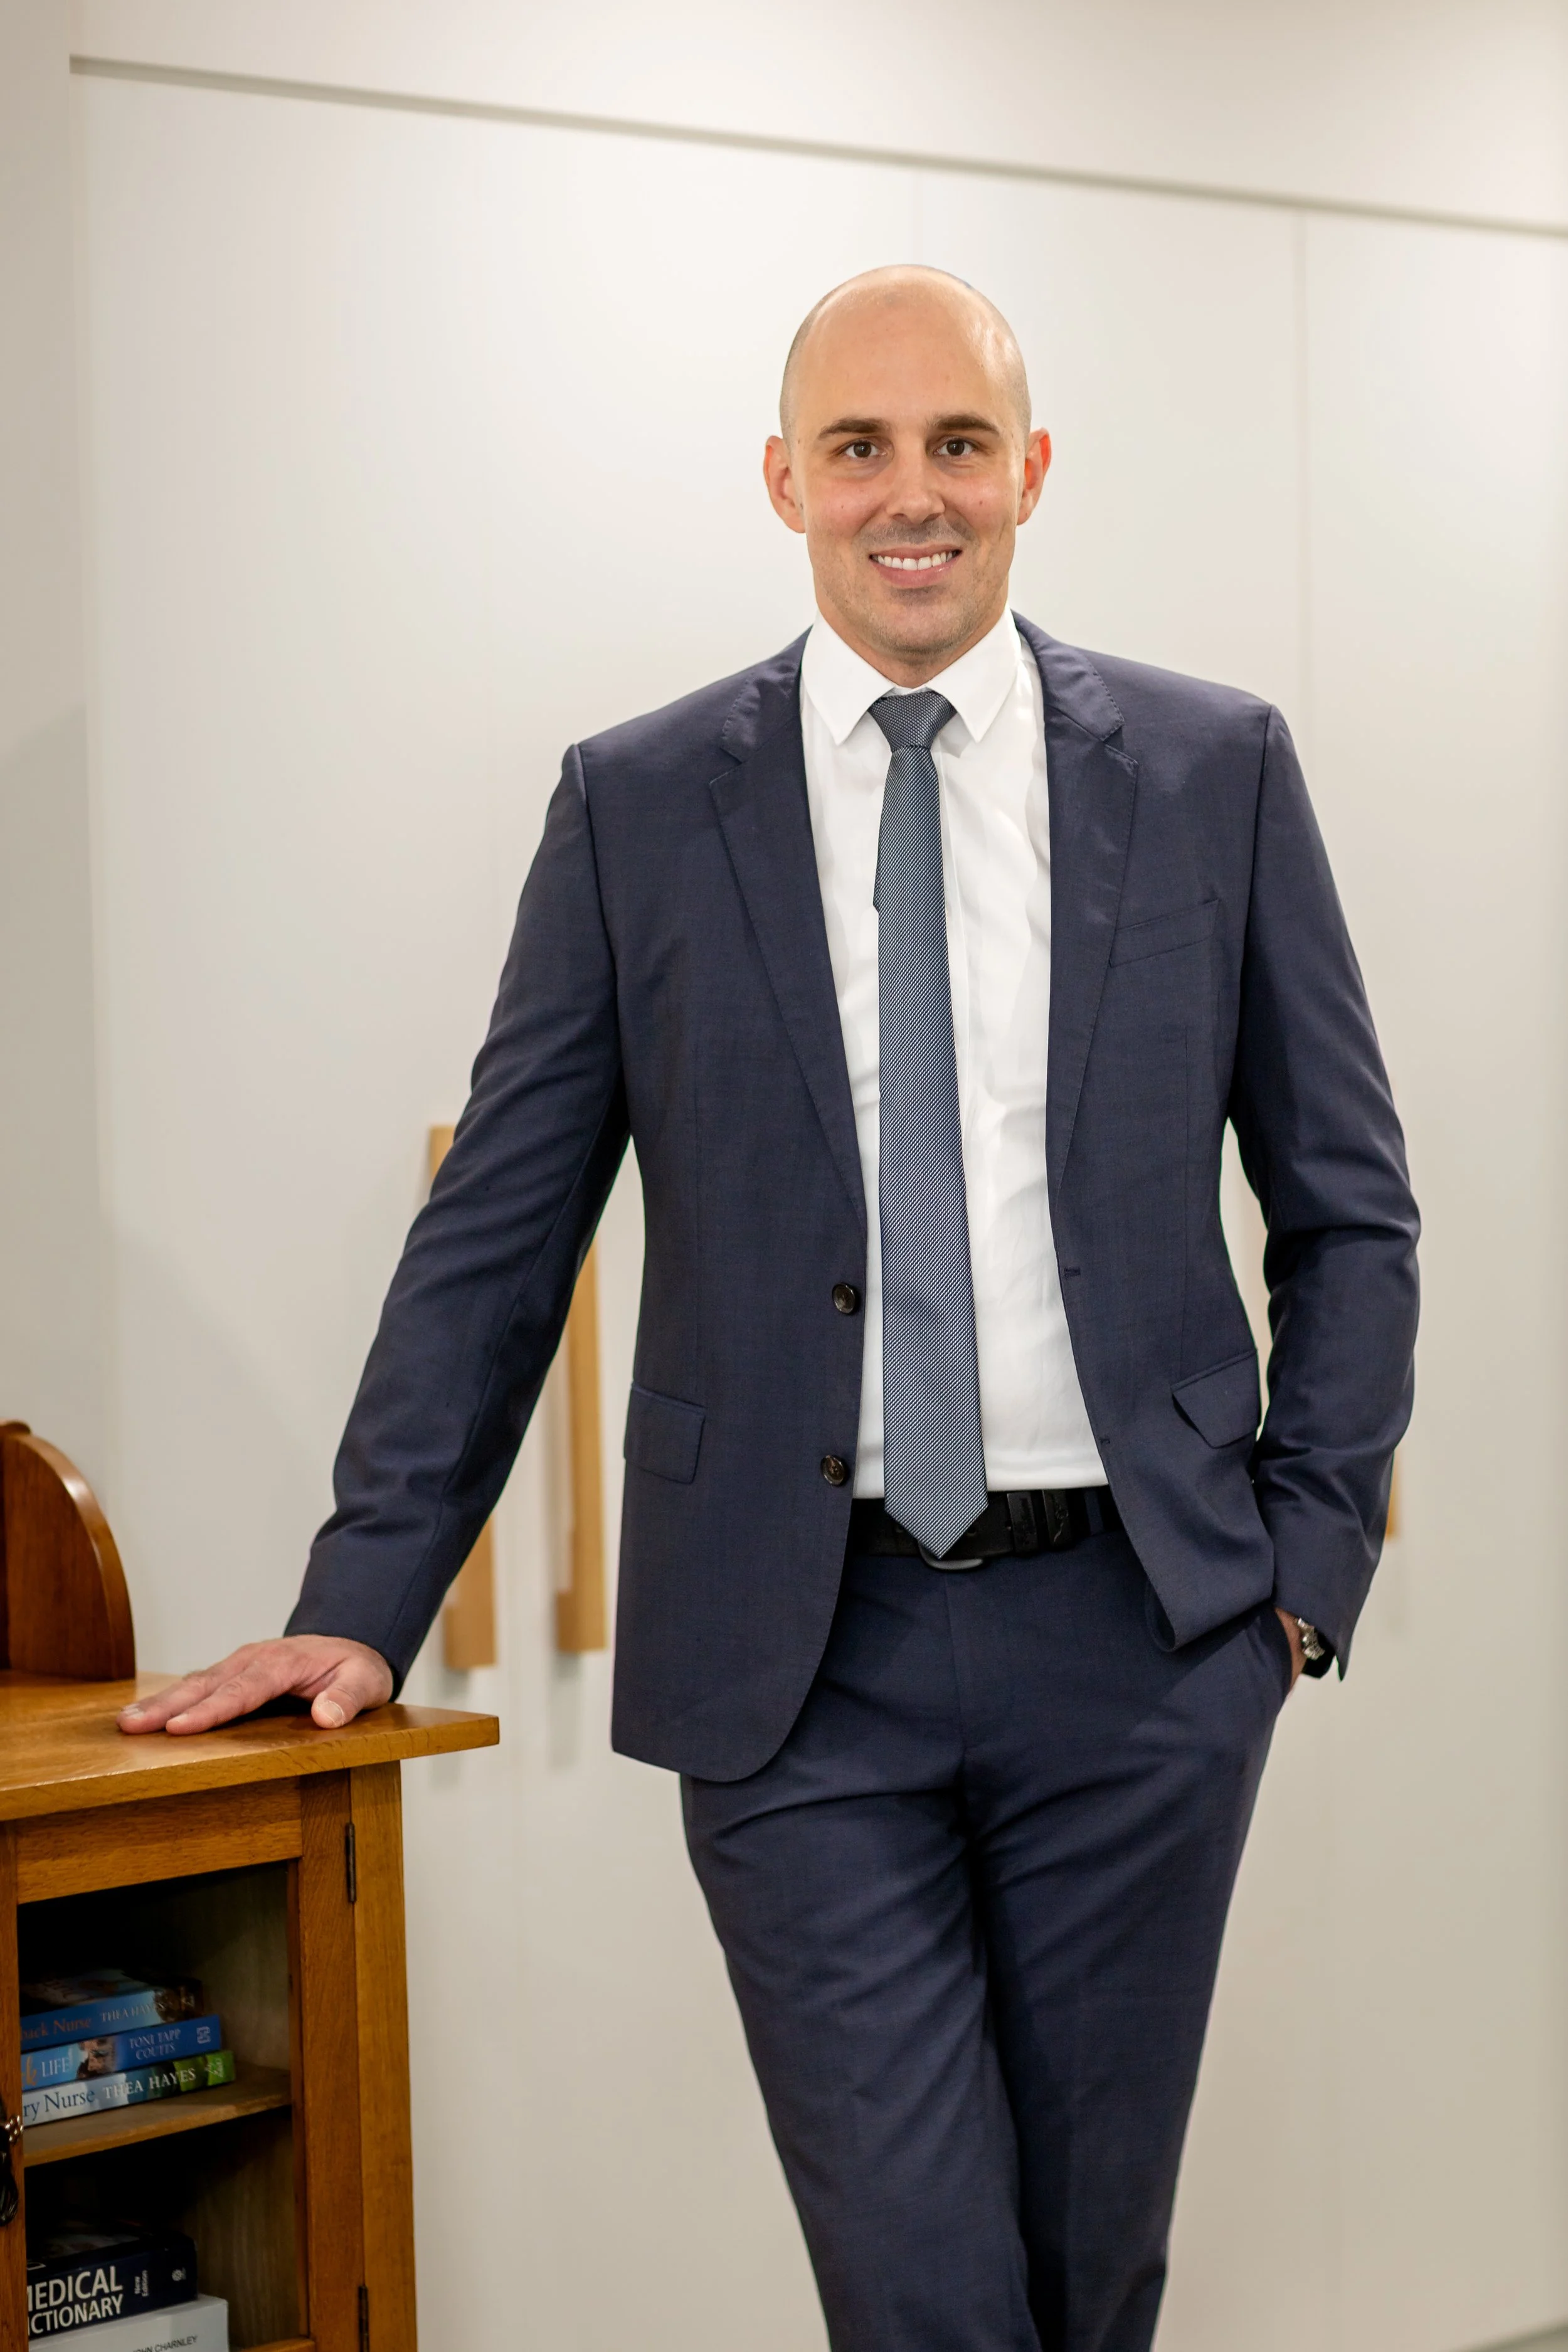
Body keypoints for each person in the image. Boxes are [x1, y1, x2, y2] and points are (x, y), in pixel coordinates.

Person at [120, 267, 1419, 2351]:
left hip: (1145, 1644)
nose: (912, 494)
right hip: (798, 1660)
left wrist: (1302, 1568)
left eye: (957, 444)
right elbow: (498, 1230)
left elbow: (1346, 1202)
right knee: (920, 2294)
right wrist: (363, 1596)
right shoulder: (639, 801)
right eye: (857, 448)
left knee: (1089, 2285)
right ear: (782, 479)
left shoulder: (1210, 771)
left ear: (1030, 469)